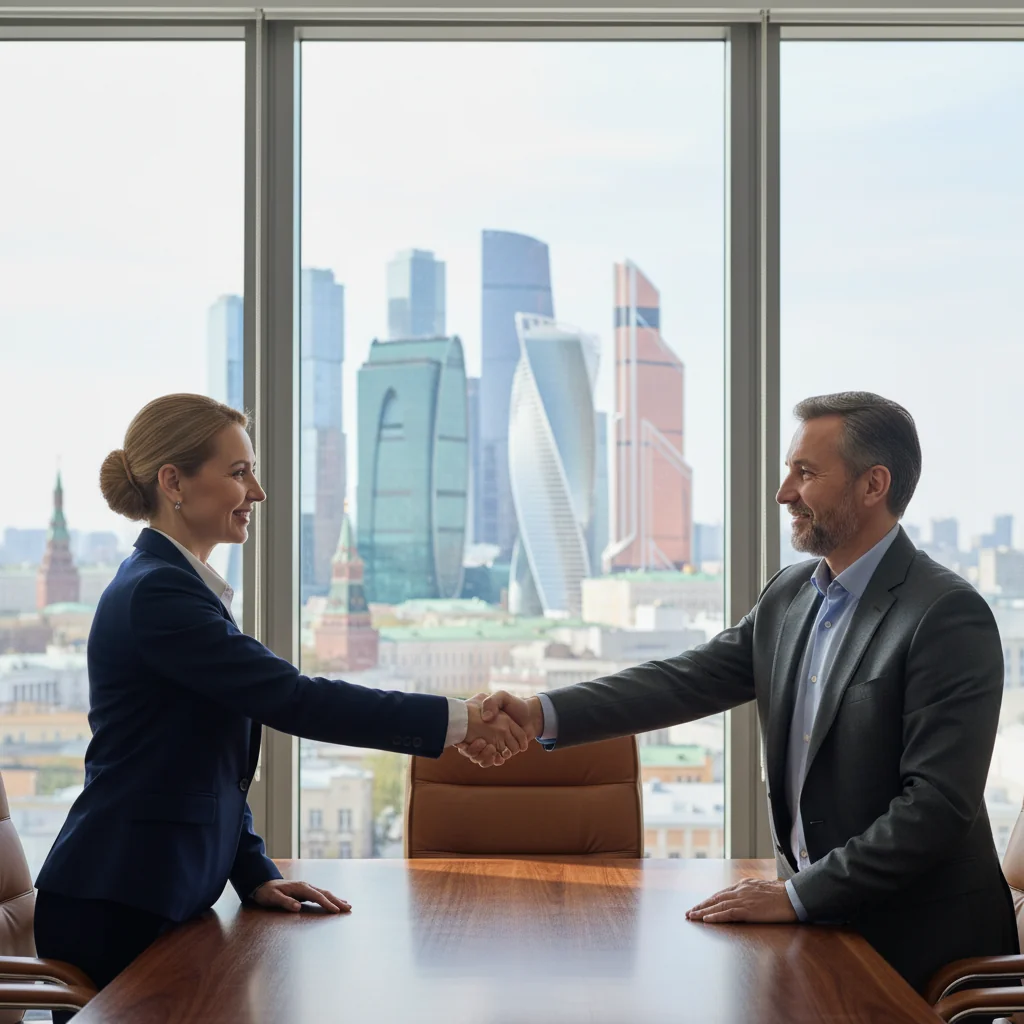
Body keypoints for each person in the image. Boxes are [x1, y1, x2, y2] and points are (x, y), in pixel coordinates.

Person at [462, 391, 1019, 994]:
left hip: (922, 957)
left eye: (805, 473)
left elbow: (933, 809)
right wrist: (539, 712)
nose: (784, 492)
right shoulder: (790, 595)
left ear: (872, 485)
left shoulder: (944, 614)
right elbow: (683, 681)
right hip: (815, 936)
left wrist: (797, 896)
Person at [34, 393, 527, 1019]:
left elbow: (206, 767)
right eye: (239, 473)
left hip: (153, 897)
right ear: (173, 482)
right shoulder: (158, 595)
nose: (258, 493)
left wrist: (254, 872)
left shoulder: (177, 586)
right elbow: (293, 699)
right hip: (117, 906)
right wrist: (458, 721)